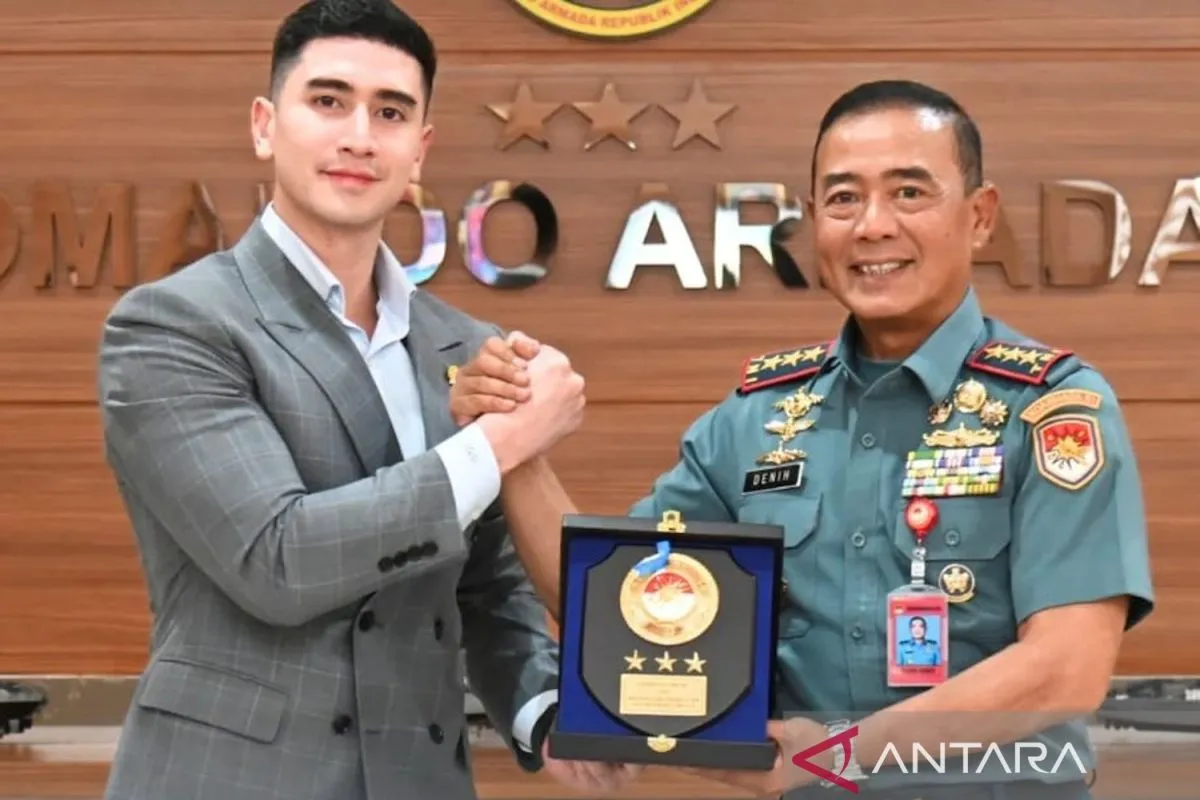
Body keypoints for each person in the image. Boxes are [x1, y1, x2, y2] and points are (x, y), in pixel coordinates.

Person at [447, 79, 1155, 798]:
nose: (872, 226)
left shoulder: (1049, 409)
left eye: (909, 193)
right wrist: (512, 439)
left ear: (979, 216)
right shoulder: (758, 419)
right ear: (814, 221)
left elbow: (1066, 670)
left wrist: (839, 755)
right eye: (844, 199)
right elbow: (610, 600)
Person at [95, 2, 638, 798]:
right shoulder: (174, 325)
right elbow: (278, 558)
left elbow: (486, 583)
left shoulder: (464, 344)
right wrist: (502, 444)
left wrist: (544, 709)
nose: (359, 136)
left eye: (390, 112)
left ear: (419, 148)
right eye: (328, 100)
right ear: (265, 125)